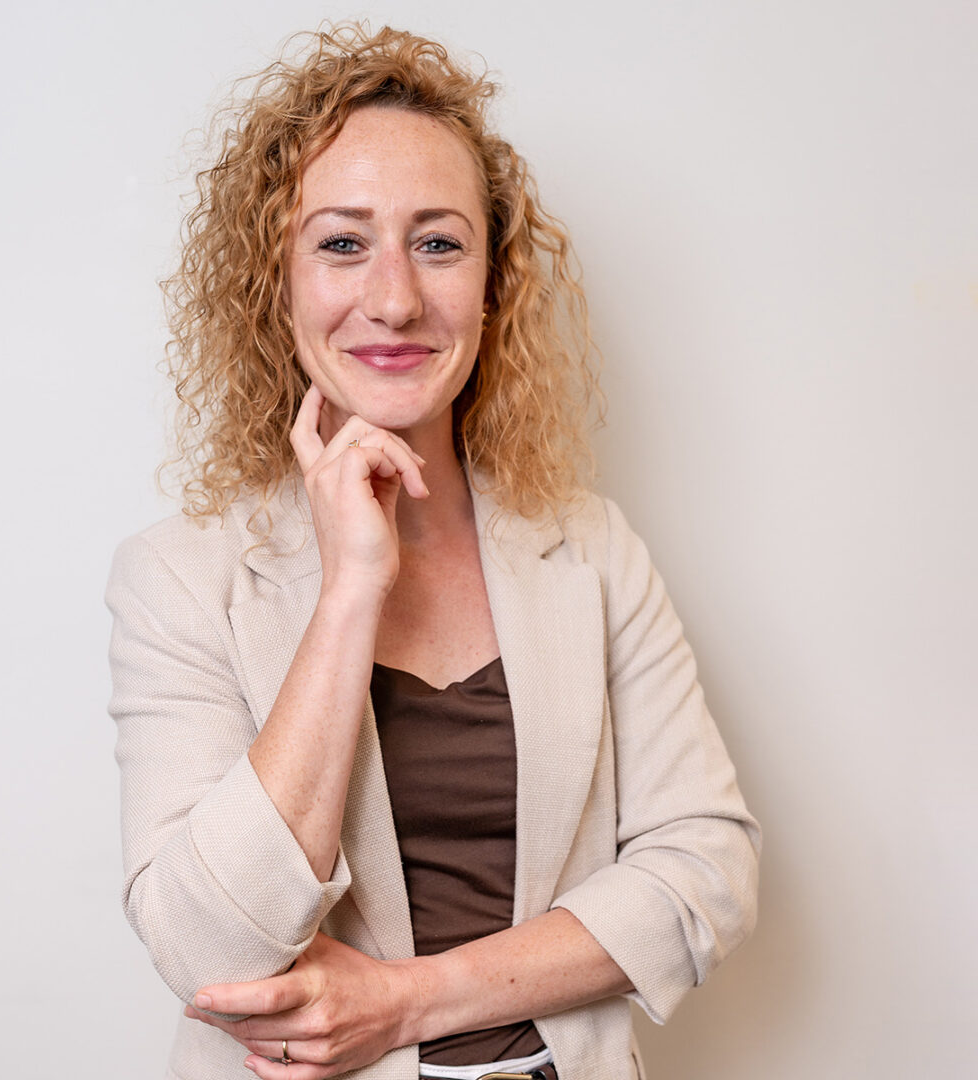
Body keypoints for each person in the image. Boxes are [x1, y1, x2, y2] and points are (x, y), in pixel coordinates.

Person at [106, 23, 760, 1080]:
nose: (397, 298)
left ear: (494, 284)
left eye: (439, 244)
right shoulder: (177, 577)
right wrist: (350, 591)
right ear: (276, 282)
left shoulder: (591, 548)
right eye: (342, 243)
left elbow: (707, 869)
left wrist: (406, 1001)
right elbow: (207, 951)